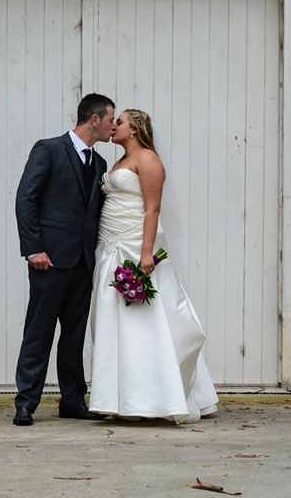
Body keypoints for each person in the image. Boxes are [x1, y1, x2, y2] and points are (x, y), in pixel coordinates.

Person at [89, 109, 218, 423]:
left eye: (119, 121)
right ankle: (120, 397)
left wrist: (146, 252)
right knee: (114, 320)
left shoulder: (147, 159)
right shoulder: (117, 162)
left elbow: (152, 208)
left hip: (134, 246)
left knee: (146, 320)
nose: (113, 126)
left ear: (134, 129)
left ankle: (157, 397)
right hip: (110, 244)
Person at [13, 93, 116, 426]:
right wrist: (33, 248)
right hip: (49, 259)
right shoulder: (49, 149)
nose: (114, 126)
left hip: (83, 263)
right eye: (111, 119)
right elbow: (26, 198)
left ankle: (72, 400)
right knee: (39, 331)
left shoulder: (99, 164)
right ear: (94, 119)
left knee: (74, 335)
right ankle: (26, 402)